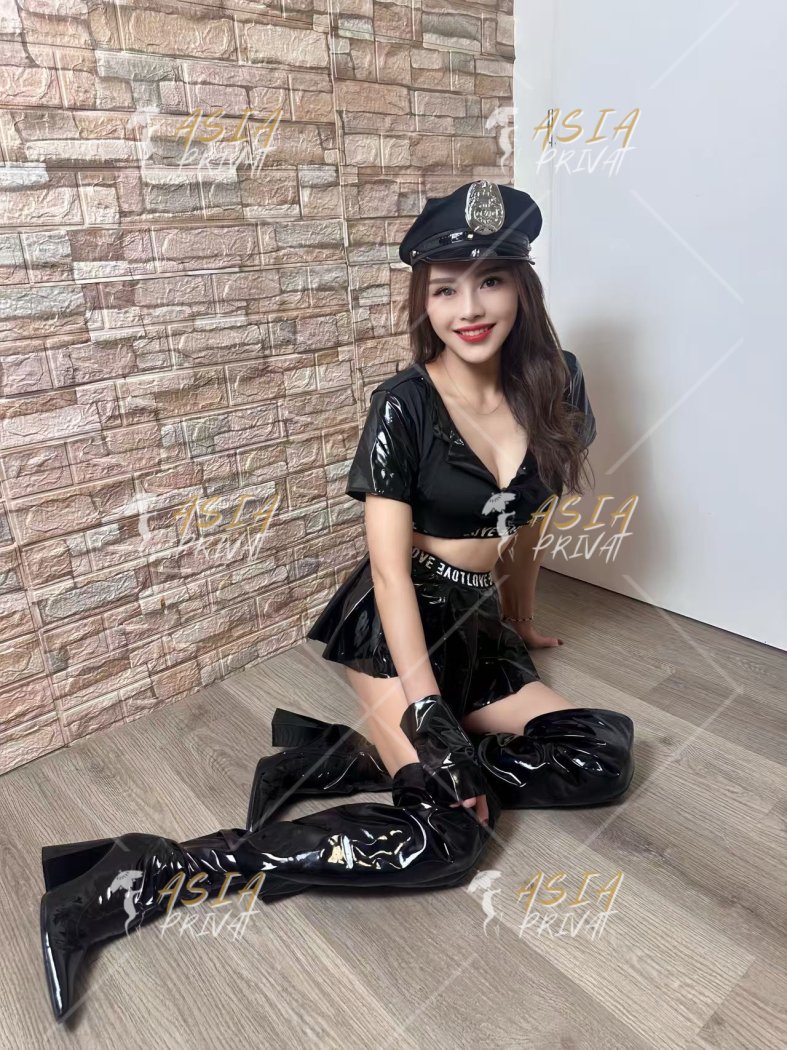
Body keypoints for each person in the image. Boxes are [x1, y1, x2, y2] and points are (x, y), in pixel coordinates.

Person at [38, 180, 634, 1025]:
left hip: (477, 625)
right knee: (446, 841)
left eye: (491, 280)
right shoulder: (403, 406)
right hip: (399, 623)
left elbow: (528, 523)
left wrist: (521, 620)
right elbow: (388, 574)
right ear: (423, 300)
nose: (469, 308)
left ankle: (346, 760)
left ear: (521, 287)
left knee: (599, 753)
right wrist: (426, 711)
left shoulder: (557, 382)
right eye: (445, 288)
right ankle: (148, 873)